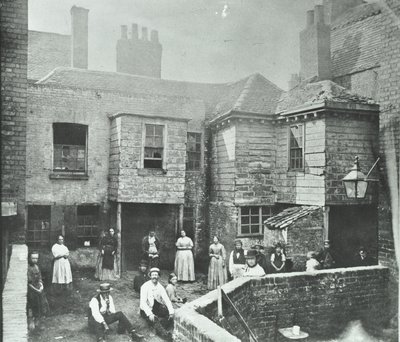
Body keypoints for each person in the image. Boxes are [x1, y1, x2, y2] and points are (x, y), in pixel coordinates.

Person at [140, 268, 174, 341]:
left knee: (168, 314)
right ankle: (166, 336)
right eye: (153, 275)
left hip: (155, 306)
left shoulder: (160, 287)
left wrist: (171, 312)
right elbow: (143, 302)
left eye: (156, 275)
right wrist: (149, 314)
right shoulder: (145, 286)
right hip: (145, 309)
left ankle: (157, 328)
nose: (154, 277)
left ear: (158, 276)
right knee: (154, 318)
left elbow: (167, 299)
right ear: (150, 276)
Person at [27, 251, 50, 329]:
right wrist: (36, 290)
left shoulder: (37, 267)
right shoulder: (28, 268)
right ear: (29, 258)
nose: (35, 260)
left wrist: (41, 285)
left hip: (38, 288)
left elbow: (40, 278)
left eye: (36, 258)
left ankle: (39, 320)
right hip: (31, 290)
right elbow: (28, 283)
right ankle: (31, 320)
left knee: (42, 303)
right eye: (33, 258)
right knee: (32, 304)